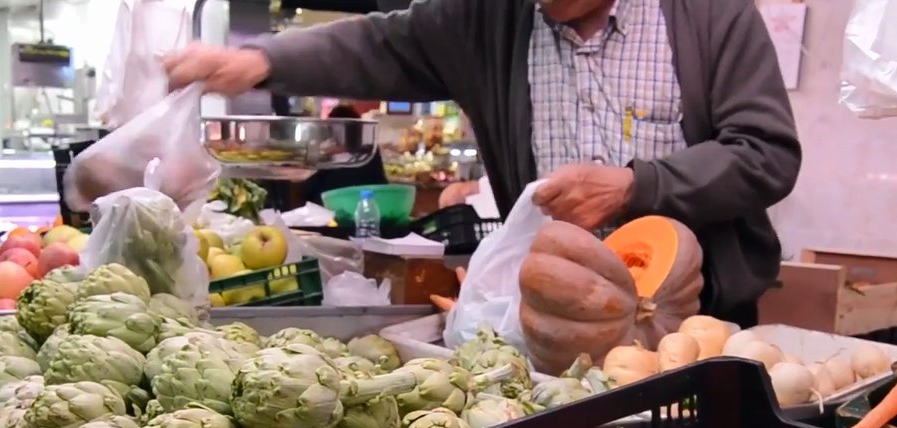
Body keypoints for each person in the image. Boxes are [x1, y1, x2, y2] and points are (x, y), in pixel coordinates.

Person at [162, 0, 801, 327]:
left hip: (697, 319)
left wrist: (641, 185)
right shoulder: (492, 19)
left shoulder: (710, 16)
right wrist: (264, 62)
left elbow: (767, 154)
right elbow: (381, 40)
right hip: (553, 319)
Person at [299, 104, 390, 206]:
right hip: (370, 208)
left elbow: (309, 190)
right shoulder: (370, 151)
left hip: (334, 212)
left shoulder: (366, 153)